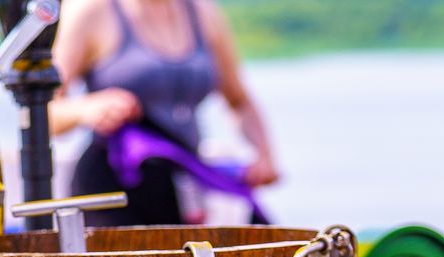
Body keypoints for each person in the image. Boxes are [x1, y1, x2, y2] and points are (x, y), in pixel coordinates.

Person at [50, 0, 281, 225]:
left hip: (182, 181)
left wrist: (264, 155)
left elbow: (239, 101)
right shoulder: (91, 8)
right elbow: (47, 112)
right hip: (113, 186)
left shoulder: (202, 11)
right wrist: (86, 108)